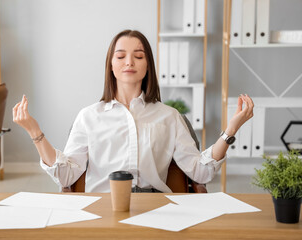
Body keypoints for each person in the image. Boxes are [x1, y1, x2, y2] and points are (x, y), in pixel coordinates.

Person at [13, 29, 254, 193]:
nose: (129, 62)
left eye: (138, 56)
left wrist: (231, 130)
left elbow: (200, 173)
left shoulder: (169, 116)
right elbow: (65, 176)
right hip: (103, 207)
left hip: (155, 207)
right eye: (121, 56)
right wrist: (35, 132)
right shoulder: (89, 116)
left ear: (147, 65)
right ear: (111, 65)